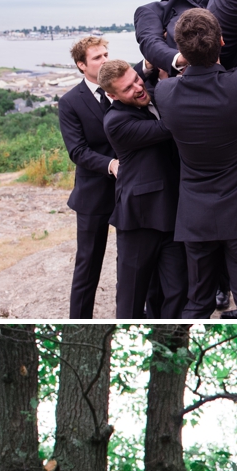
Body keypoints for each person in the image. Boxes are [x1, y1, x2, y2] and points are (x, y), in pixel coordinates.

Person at [153, 8, 237, 318]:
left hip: (195, 218)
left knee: (197, 304)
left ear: (181, 52)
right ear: (222, 41)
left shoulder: (166, 93)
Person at [97, 59, 185, 320]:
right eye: (128, 88)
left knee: (178, 289)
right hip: (138, 219)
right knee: (132, 292)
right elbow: (167, 128)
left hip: (171, 213)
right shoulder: (115, 122)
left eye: (136, 79)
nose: (138, 87)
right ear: (112, 95)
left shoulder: (150, 91)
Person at [57, 35, 117, 319]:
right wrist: (111, 165)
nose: (105, 60)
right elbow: (77, 151)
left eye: (106, 54)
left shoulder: (123, 88)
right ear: (82, 65)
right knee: (88, 265)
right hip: (94, 193)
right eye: (97, 57)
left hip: (131, 190)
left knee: (137, 261)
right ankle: (79, 320)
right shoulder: (70, 102)